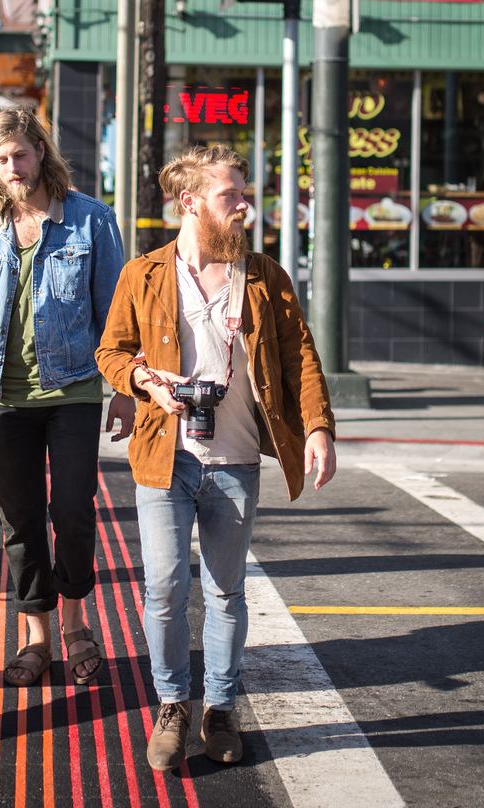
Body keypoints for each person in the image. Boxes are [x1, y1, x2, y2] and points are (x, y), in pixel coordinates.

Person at [96, 144, 337, 771]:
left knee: (227, 592)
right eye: (232, 197)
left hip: (234, 461)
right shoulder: (143, 275)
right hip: (163, 456)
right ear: (191, 202)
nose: (245, 209)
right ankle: (172, 706)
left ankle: (221, 709)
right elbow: (111, 353)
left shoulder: (263, 277)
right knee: (164, 588)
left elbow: (298, 357)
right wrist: (144, 382)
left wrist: (316, 427)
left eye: (244, 195)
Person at [0, 110, 133, 688]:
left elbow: (117, 315)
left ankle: (77, 623)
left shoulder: (91, 221)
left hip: (74, 387)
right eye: (1, 159)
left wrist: (127, 387)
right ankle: (37, 634)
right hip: (4, 395)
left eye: (21, 155)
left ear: (41, 151)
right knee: (20, 519)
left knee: (74, 512)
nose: (12, 168)